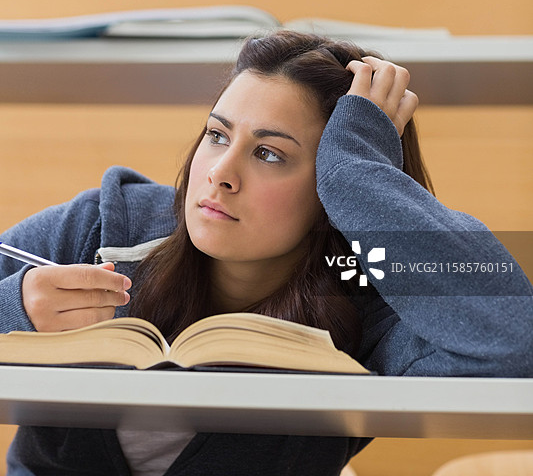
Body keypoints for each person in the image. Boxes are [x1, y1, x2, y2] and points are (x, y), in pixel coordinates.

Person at [1, 30, 531, 476]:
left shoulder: (369, 302)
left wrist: (361, 172)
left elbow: (510, 345)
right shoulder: (100, 226)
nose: (220, 174)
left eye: (269, 154)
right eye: (216, 135)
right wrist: (13, 308)